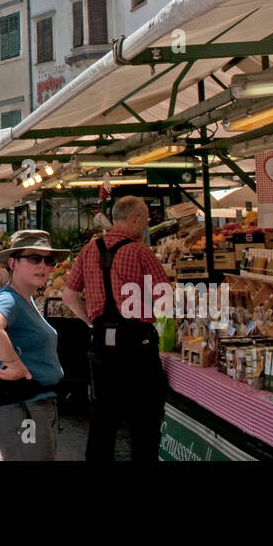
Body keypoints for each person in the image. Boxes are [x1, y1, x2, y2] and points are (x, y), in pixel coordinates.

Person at [61, 196, 168, 462]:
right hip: (137, 343)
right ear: (135, 220)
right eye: (145, 221)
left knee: (103, 417)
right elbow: (164, 298)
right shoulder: (140, 252)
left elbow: (68, 295)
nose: (145, 227)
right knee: (145, 417)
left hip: (101, 341)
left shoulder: (89, 249)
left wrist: (90, 321)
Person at [0, 230, 68, 461]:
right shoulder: (9, 298)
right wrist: (14, 364)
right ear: (13, 263)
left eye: (48, 260)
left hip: (34, 405)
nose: (43, 266)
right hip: (23, 408)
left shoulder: (25, 299)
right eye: (34, 259)